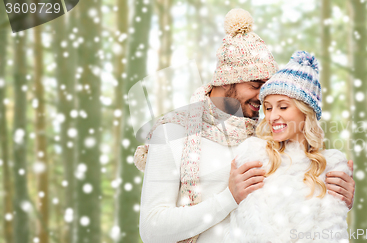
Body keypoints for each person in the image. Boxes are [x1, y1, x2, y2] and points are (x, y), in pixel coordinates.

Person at [137, 9, 355, 243]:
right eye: (255, 85)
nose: (263, 97)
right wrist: (229, 198)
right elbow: (152, 230)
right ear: (226, 80)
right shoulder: (172, 132)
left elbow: (297, 208)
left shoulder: (268, 138)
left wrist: (337, 197)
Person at [224, 51, 350, 243]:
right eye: (268, 107)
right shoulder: (252, 155)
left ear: (306, 111)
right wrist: (229, 196)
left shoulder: (331, 166)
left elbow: (333, 233)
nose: (272, 116)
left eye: (283, 107)